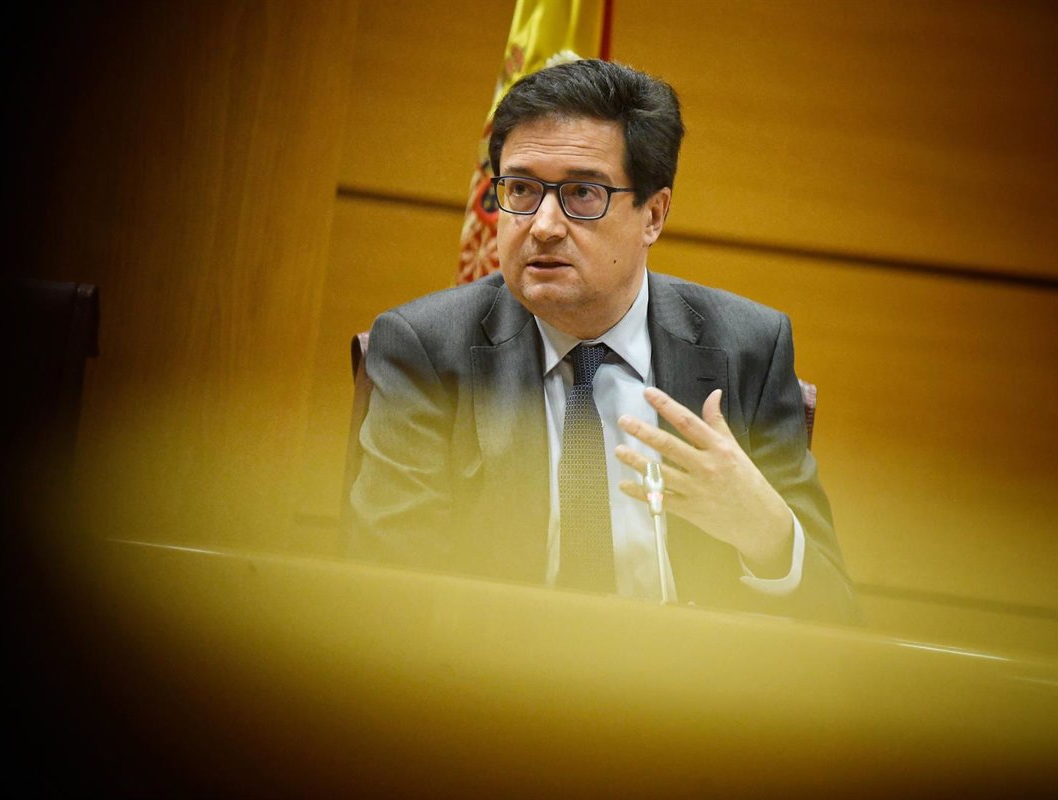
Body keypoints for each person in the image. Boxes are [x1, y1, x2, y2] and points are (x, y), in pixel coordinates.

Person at [349, 59, 857, 624]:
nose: (543, 225)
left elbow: (836, 620)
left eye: (583, 193)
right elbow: (388, 597)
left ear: (653, 215)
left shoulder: (748, 350)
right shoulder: (425, 351)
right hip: (489, 670)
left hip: (684, 677)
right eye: (521, 189)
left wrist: (767, 534)